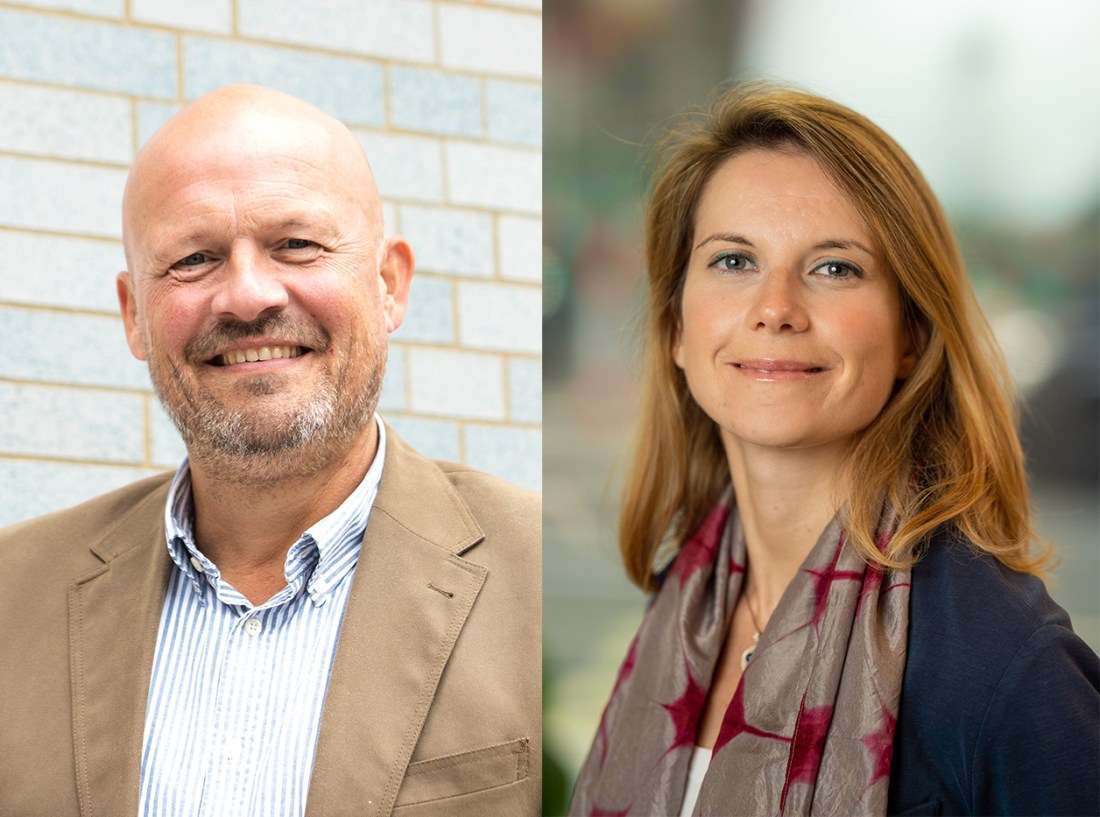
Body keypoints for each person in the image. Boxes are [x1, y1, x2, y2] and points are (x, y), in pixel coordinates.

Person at [0, 84, 540, 816]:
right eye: (194, 258)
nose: (249, 296)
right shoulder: (13, 597)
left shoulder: (538, 578)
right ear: (134, 316)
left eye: (296, 244)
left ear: (389, 284)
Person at [569, 84, 1099, 817]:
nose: (776, 308)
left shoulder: (1005, 666)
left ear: (911, 333)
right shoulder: (687, 602)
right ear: (676, 331)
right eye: (732, 261)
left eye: (834, 268)